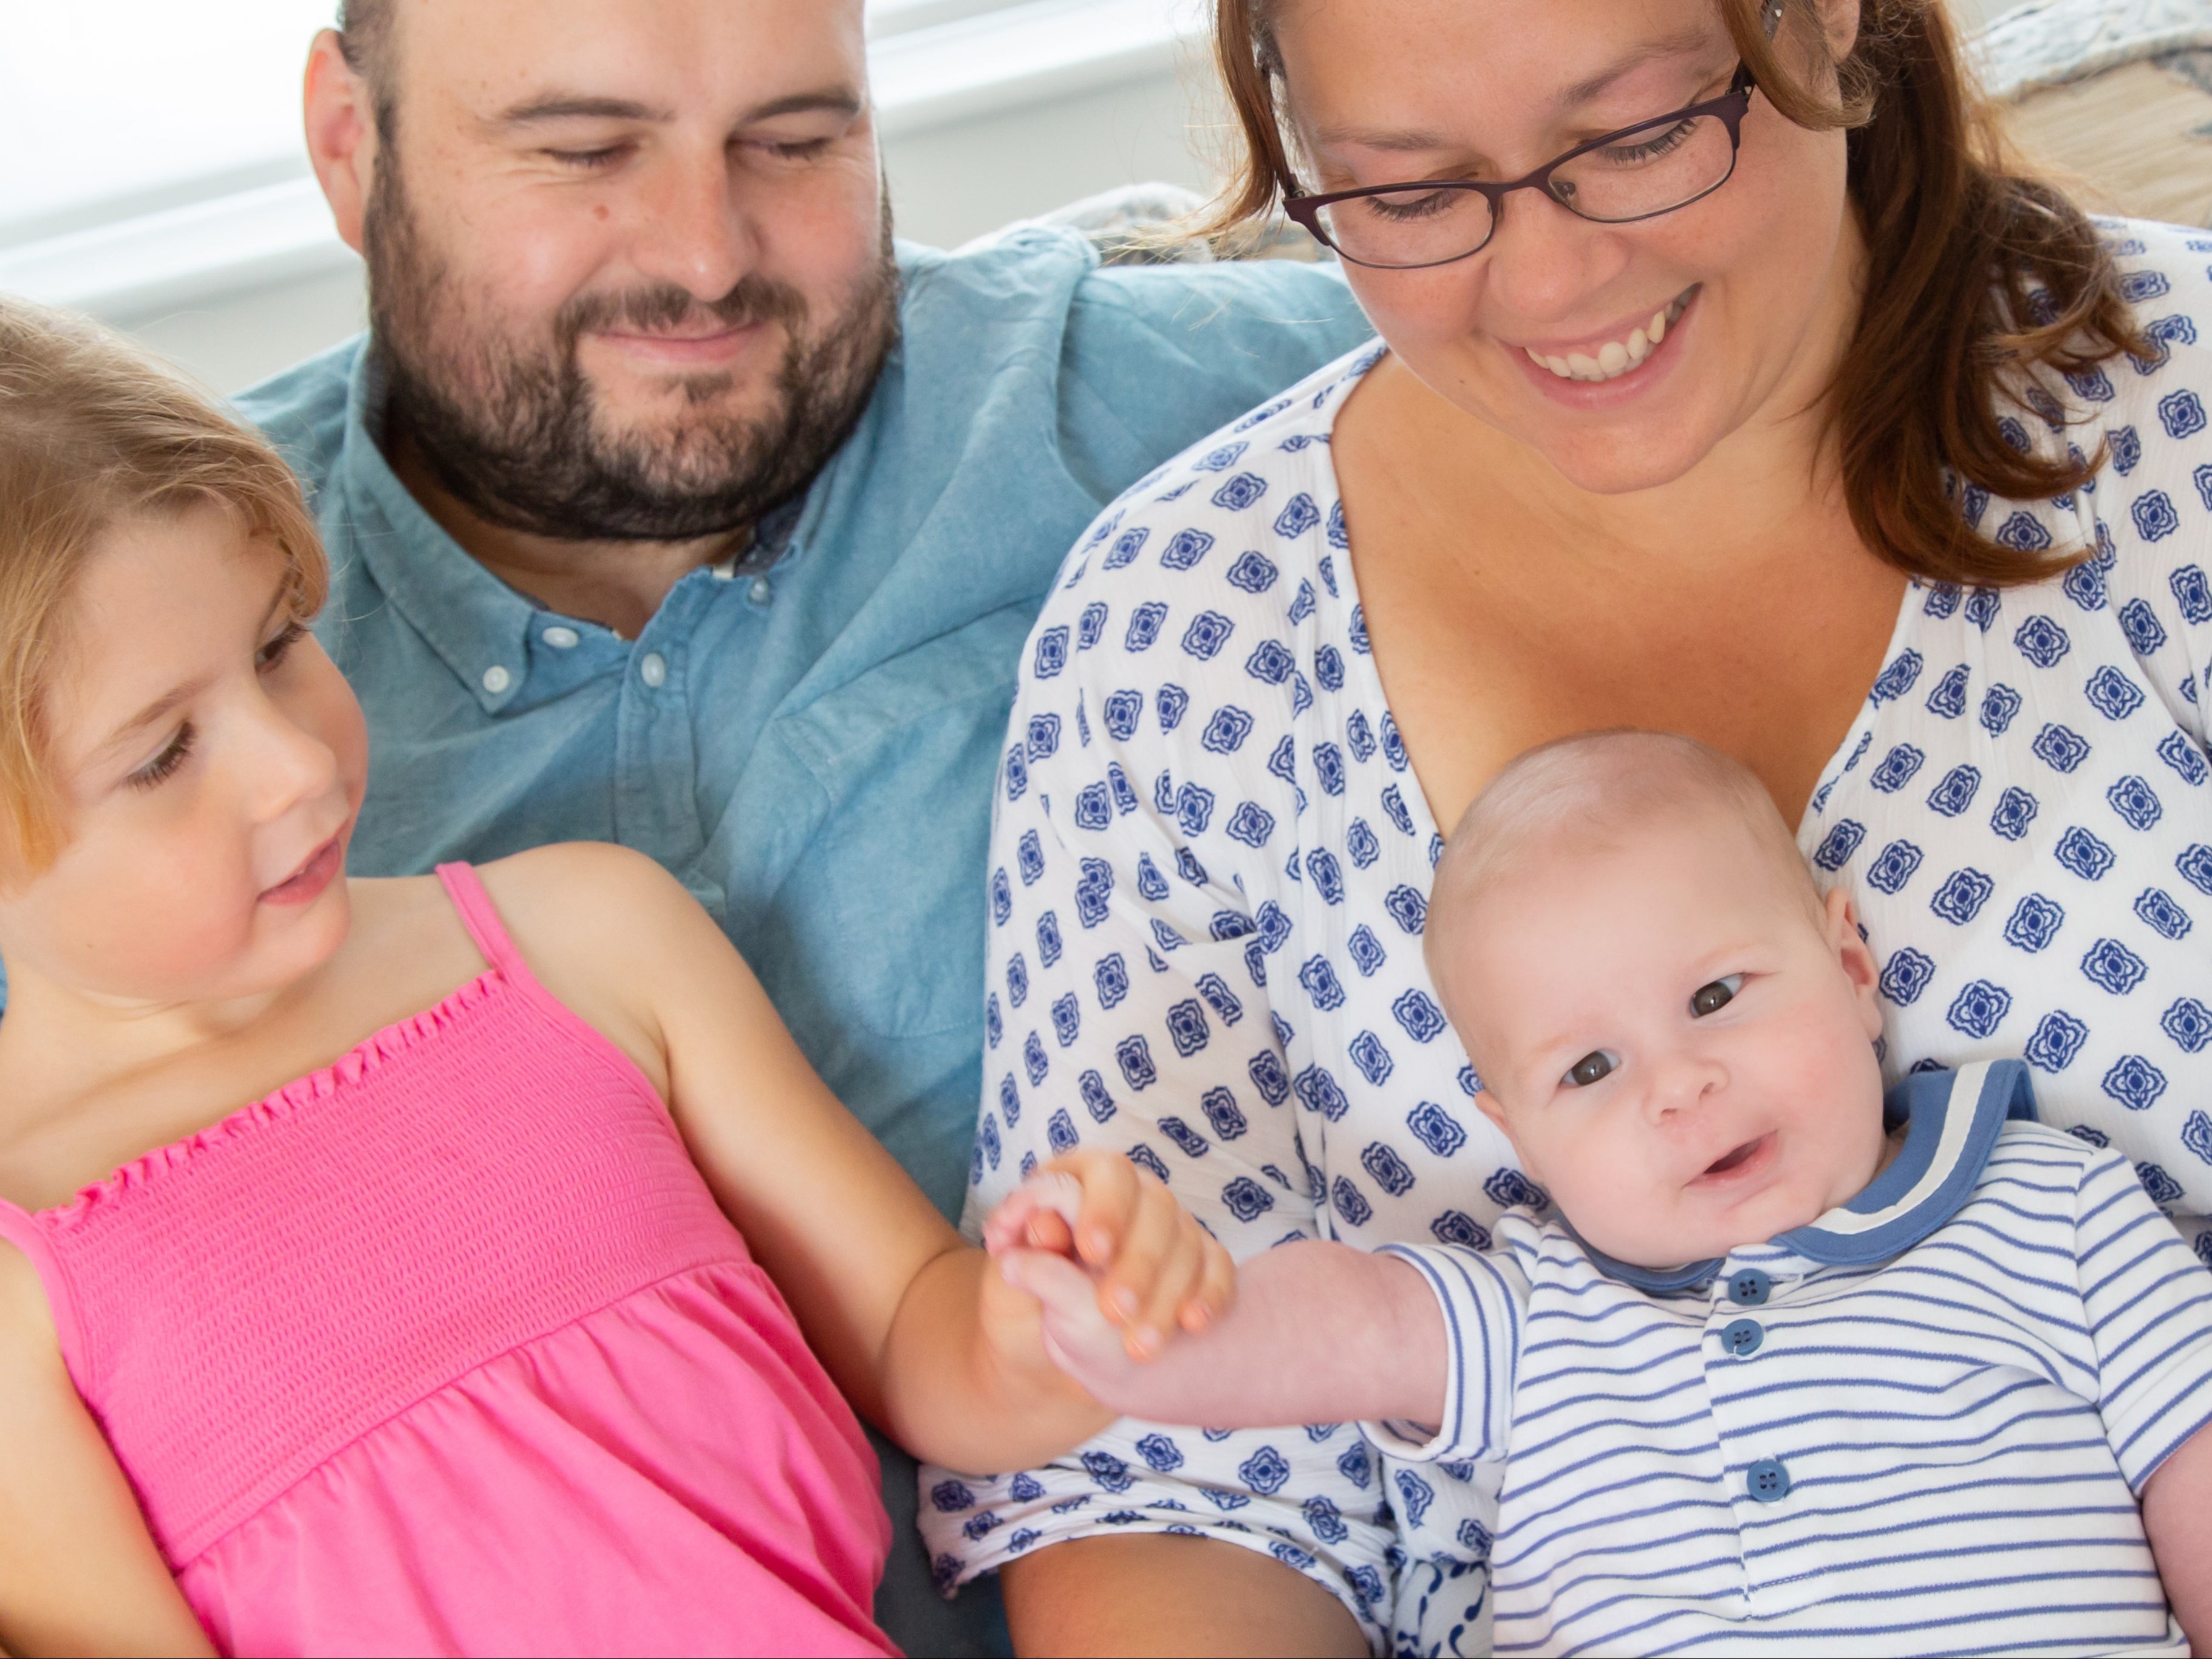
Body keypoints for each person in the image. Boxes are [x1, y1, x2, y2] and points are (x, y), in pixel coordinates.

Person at [936, 0, 2212, 1650]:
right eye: (1406, 193)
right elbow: (1167, 1486)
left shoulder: (2168, 430)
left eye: (1635, 135)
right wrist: (1107, 1296)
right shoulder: (1174, 633)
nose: (1547, 287)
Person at [175, 1, 1374, 1644]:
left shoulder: (1167, 410)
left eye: (797, 141)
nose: (707, 255)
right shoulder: (135, 668)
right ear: (348, 143)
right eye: (587, 150)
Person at [0, 301, 1232, 1657]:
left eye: (281, 642)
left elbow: (916, 1335)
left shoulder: (586, 940)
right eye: (164, 753)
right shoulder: (24, 1279)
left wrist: (1052, 1321)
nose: (294, 764)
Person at [994, 731, 2212, 1657]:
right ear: (1517, 1136)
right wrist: (1146, 1317)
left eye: (1718, 995)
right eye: (1588, 1068)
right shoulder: (1541, 1312)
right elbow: (1345, 1322)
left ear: (1851, 966)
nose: (1676, 1089)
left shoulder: (2054, 1210)